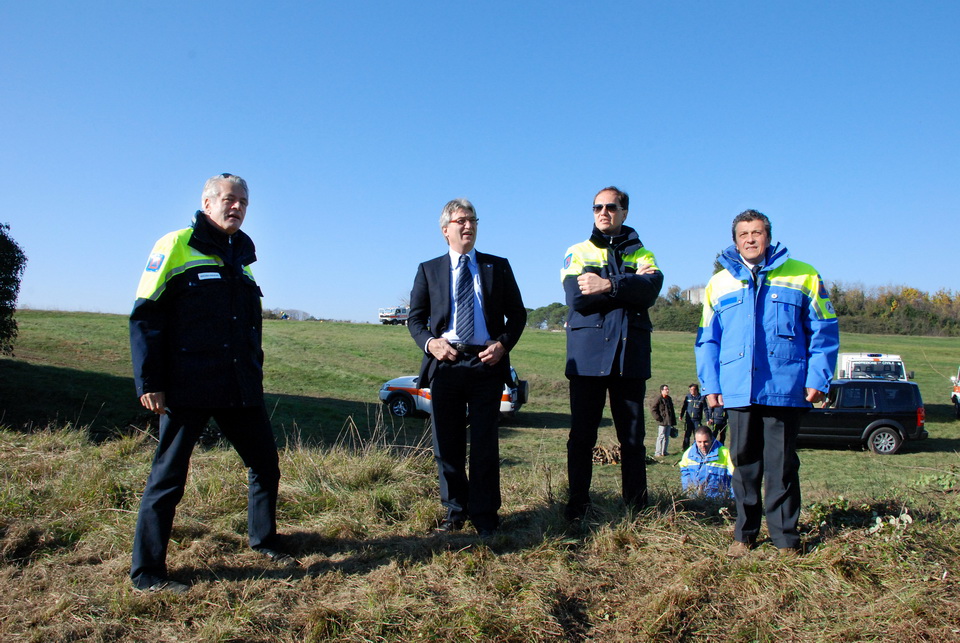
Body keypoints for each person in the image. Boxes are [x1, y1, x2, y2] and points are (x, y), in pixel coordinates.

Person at [129, 173, 296, 593]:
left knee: (265, 465)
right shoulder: (175, 245)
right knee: (168, 477)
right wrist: (150, 381)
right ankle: (147, 573)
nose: (236, 206)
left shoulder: (242, 258)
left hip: (239, 386)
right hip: (188, 385)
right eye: (228, 199)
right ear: (207, 203)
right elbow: (145, 316)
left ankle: (264, 540)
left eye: (243, 201)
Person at [695, 209, 839, 556]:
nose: (750, 239)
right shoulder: (718, 284)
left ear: (768, 237)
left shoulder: (804, 275)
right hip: (737, 389)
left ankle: (785, 539)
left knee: (782, 465)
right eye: (743, 234)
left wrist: (818, 378)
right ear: (735, 241)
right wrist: (711, 385)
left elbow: (824, 331)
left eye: (756, 232)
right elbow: (707, 340)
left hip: (785, 388)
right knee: (743, 466)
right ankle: (744, 536)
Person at [408, 198, 526, 536]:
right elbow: (415, 320)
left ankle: (486, 516)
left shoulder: (497, 266)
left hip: (485, 363)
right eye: (461, 220)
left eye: (473, 219)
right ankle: (455, 512)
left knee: (485, 444)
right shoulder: (429, 270)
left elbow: (518, 315)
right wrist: (431, 343)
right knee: (447, 443)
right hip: (446, 364)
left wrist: (502, 344)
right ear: (445, 230)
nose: (468, 225)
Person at [561, 186, 664, 519]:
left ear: (624, 212)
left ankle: (636, 509)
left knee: (632, 439)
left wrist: (607, 284)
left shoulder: (644, 254)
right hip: (587, 358)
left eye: (610, 207)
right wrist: (630, 286)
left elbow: (651, 291)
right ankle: (577, 507)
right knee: (582, 437)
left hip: (629, 357)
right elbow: (578, 298)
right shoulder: (578, 251)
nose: (603, 212)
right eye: (597, 207)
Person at [679, 426, 734, 499]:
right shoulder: (688, 454)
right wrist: (688, 495)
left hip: (719, 501)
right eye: (699, 442)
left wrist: (733, 499)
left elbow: (736, 479)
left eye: (706, 442)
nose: (702, 445)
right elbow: (685, 475)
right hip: (695, 500)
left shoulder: (725, 454)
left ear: (711, 439)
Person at [679, 383, 706, 451]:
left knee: (697, 434)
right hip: (689, 419)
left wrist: (708, 418)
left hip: (697, 420)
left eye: (693, 389)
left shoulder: (701, 398)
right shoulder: (688, 397)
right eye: (690, 389)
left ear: (696, 390)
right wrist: (681, 415)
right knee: (687, 434)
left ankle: (697, 448)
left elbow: (705, 409)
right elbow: (684, 407)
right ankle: (685, 449)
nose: (691, 391)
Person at [651, 384, 676, 457]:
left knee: (666, 437)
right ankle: (658, 452)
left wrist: (673, 421)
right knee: (661, 437)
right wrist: (658, 418)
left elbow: (672, 410)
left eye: (668, 389)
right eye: (666, 389)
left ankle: (664, 451)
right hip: (662, 421)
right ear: (662, 390)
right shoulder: (658, 399)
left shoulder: (669, 398)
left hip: (668, 421)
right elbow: (653, 409)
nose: (667, 391)